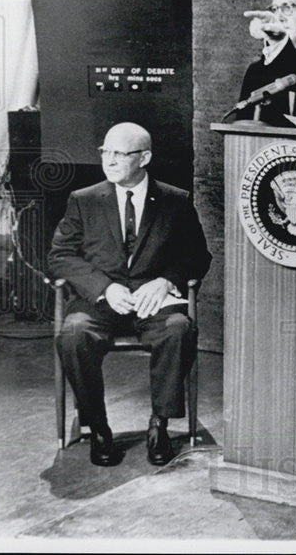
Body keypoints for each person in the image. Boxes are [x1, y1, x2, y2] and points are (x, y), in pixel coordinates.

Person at [49, 122, 212, 467]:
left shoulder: (175, 200)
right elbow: (60, 255)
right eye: (105, 151)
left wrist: (166, 280)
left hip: (155, 302)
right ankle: (99, 428)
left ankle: (159, 424)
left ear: (144, 157)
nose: (109, 160)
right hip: (102, 301)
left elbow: (198, 255)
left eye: (119, 153)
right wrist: (103, 287)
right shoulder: (85, 200)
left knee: (179, 329)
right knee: (74, 334)